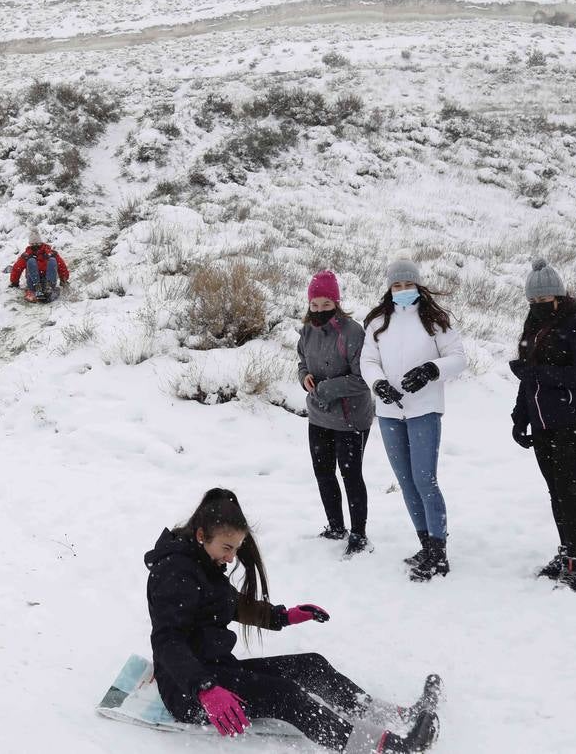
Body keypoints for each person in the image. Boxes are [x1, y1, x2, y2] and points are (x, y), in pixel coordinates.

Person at [146, 488, 441, 751]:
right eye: (227, 548)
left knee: (310, 665)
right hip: (190, 694)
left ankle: (395, 715)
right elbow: (167, 640)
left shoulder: (203, 561)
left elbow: (228, 605)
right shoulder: (174, 573)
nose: (232, 557)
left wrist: (284, 616)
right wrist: (205, 689)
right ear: (201, 535)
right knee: (286, 695)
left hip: (214, 671)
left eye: (236, 548)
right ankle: (384, 748)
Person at [360, 259, 466, 582]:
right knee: (406, 483)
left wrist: (431, 370)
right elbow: (368, 360)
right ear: (389, 289)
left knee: (425, 481)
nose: (403, 291)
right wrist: (378, 384)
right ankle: (425, 544)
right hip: (391, 413)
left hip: (424, 411)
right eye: (397, 286)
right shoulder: (378, 322)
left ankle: (439, 552)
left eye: (408, 285)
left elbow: (458, 358)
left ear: (418, 286)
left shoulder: (435, 320)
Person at [509, 258, 576, 592]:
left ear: (559, 296)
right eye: (532, 302)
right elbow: (528, 377)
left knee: (570, 490)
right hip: (544, 423)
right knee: (556, 492)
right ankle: (566, 550)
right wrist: (520, 416)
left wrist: (536, 374)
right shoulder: (534, 324)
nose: (537, 307)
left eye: (543, 301)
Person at [296, 270, 375, 557]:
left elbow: (364, 377)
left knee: (351, 475)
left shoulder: (352, 333)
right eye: (314, 305)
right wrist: (304, 376)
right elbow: (302, 360)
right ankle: (335, 527)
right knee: (323, 473)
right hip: (319, 416)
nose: (318, 311)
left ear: (337, 303)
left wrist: (327, 388)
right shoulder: (307, 330)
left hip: (351, 418)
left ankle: (359, 534)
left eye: (325, 305)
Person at [8, 227, 69, 303]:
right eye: (33, 244)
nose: (35, 246)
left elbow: (61, 266)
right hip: (33, 283)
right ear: (30, 244)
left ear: (41, 243)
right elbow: (17, 268)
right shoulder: (26, 255)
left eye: (37, 243)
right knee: (31, 261)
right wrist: (14, 282)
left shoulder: (51, 253)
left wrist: (64, 280)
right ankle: (37, 288)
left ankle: (48, 288)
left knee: (53, 260)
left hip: (48, 281)